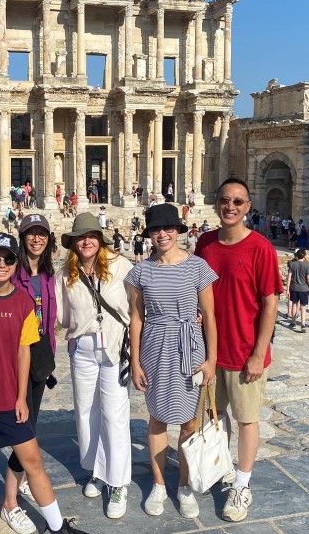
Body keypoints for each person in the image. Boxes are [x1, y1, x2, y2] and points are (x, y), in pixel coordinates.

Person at [0, 233, 86, 534]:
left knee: (32, 459)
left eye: (8, 259)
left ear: (15, 262)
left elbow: (25, 351)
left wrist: (22, 397)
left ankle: (57, 527)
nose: (2, 264)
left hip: (9, 396)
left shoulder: (23, 302)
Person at [195, 177, 282, 523]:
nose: (230, 206)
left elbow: (270, 303)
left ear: (248, 207)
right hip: (211, 352)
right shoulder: (204, 243)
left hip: (246, 352)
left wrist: (259, 354)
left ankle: (242, 485)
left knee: (247, 420)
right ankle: (224, 467)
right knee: (215, 420)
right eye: (224, 200)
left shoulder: (261, 248)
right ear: (217, 204)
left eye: (238, 201)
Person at [126, 204, 218, 519]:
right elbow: (135, 319)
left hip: (190, 348)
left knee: (190, 421)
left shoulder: (198, 267)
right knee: (157, 418)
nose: (162, 234)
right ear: (149, 234)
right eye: (155, 229)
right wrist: (135, 362)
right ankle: (159, 484)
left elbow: (211, 317)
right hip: (154, 346)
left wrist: (211, 360)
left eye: (167, 228)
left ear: (178, 230)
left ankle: (184, 486)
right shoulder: (140, 270)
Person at [55, 213, 133, 519]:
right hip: (83, 350)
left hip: (114, 348)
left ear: (100, 239)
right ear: (74, 243)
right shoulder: (66, 274)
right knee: (86, 411)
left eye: (91, 236)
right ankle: (96, 471)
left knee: (115, 414)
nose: (86, 241)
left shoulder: (121, 266)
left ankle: (118, 481)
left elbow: (136, 308)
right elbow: (62, 317)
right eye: (81, 237)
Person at [0, 215, 59, 534]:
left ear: (49, 239)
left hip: (39, 358)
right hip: (15, 359)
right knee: (25, 435)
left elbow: (49, 320)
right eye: (30, 234)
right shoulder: (12, 271)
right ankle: (10, 504)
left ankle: (19, 480)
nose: (36, 239)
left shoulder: (49, 273)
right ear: (21, 238)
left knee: (29, 428)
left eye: (41, 234)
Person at [286, 248, 309, 333]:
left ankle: (293, 322)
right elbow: (308, 279)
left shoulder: (292, 264)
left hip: (294, 287)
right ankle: (303, 325)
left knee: (294, 304)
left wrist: (287, 290)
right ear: (304, 256)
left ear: (296, 255)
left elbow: (289, 278)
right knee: (303, 307)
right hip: (304, 288)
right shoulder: (307, 265)